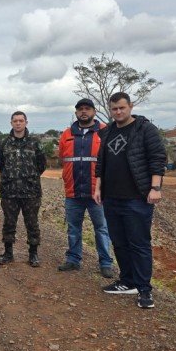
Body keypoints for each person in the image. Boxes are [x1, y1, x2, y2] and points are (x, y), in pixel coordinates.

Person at [93, 92, 165, 309]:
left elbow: (158, 158)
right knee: (120, 242)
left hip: (137, 198)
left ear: (130, 106)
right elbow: (100, 162)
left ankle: (144, 289)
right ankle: (127, 281)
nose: (118, 112)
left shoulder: (145, 129)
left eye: (121, 108)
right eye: (114, 109)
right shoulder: (107, 132)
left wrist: (155, 187)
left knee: (139, 244)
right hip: (112, 197)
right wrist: (98, 188)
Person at [58, 99, 115, 278]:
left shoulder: (105, 132)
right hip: (73, 191)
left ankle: (105, 263)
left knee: (102, 228)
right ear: (76, 113)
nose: (84, 112)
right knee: (74, 228)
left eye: (87, 109)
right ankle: (74, 259)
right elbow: (62, 158)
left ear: (94, 111)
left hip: (97, 192)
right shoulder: (66, 134)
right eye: (80, 109)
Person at [0, 111, 47, 267]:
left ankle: (33, 254)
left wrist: (29, 177)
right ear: (11, 123)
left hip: (31, 191)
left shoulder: (35, 143)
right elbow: (0, 165)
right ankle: (8, 253)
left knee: (32, 223)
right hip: (9, 191)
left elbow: (41, 166)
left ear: (26, 122)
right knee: (9, 223)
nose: (18, 123)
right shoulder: (4, 144)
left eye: (21, 120)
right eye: (15, 121)